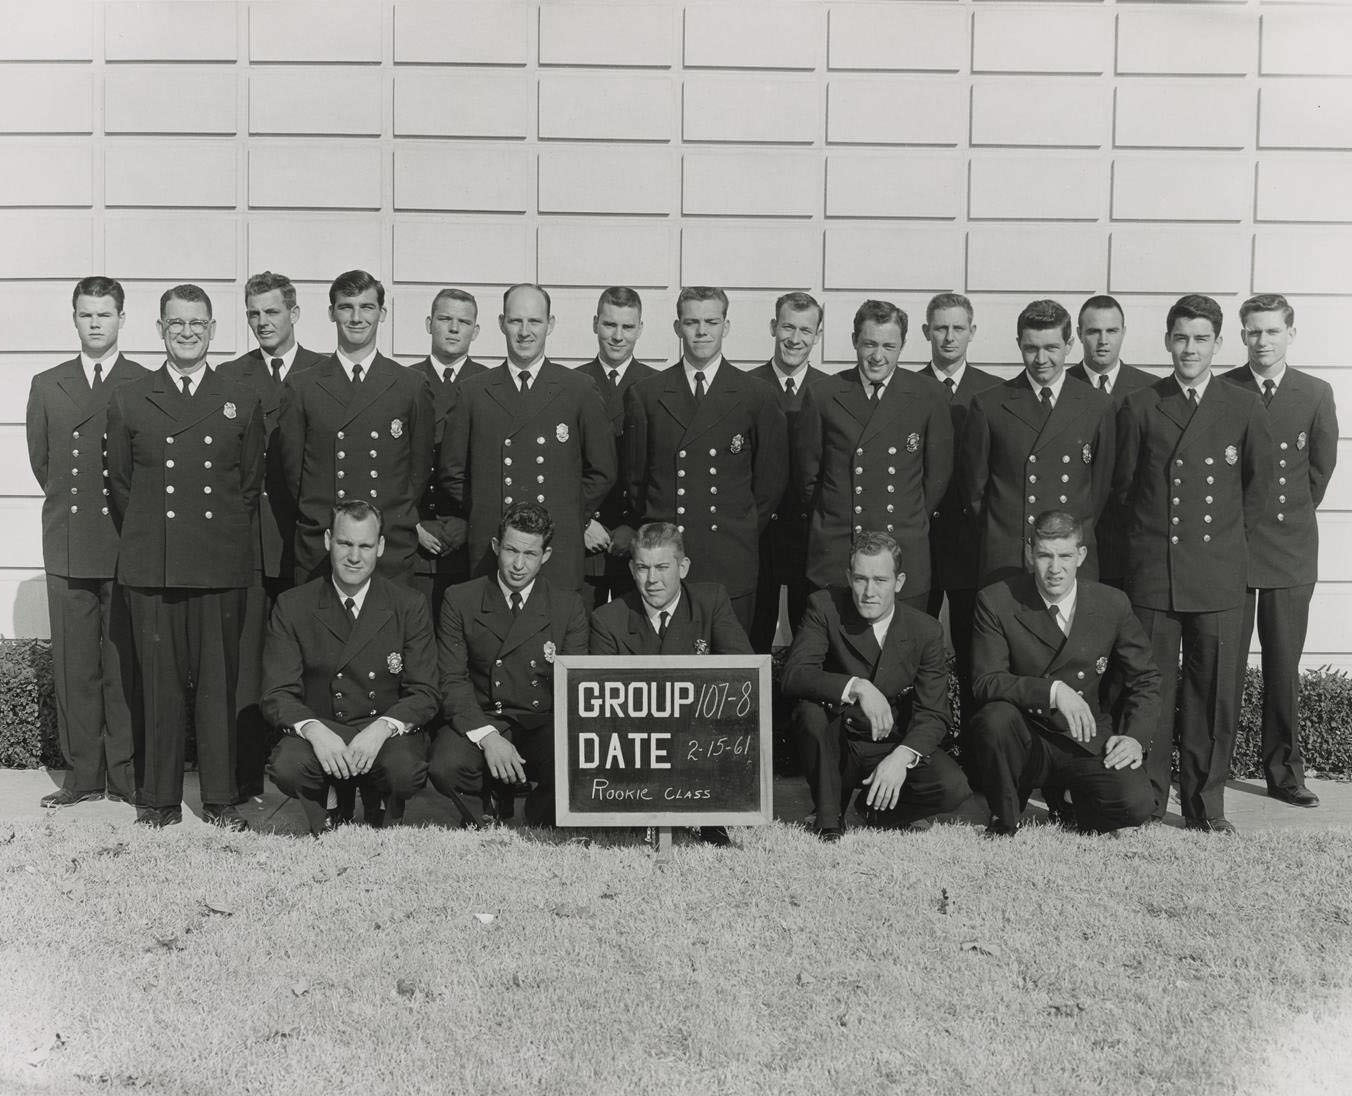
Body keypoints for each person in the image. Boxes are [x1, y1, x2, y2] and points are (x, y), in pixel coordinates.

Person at [105, 285, 264, 829]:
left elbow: (247, 485)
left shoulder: (240, 397)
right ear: (160, 329)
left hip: (219, 562)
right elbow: (123, 487)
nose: (188, 332)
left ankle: (219, 797)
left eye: (198, 323)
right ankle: (158, 798)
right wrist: (157, 535)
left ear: (214, 329)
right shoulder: (130, 397)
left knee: (219, 685)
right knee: (159, 684)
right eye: (177, 324)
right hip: (155, 563)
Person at [1114, 294, 1272, 833]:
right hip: (1155, 574)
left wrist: (1225, 549)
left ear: (1218, 344)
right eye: (1181, 338)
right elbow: (1124, 491)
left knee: (1214, 695)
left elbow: (1257, 490)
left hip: (1218, 574)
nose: (1190, 348)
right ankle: (1149, 800)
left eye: (1201, 339)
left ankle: (1206, 806)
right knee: (1151, 693)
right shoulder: (1140, 404)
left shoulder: (1242, 404)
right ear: (1166, 342)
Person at [26, 276, 147, 809]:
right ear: (73, 319)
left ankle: (124, 776)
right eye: (86, 314)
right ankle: (81, 778)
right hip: (71, 542)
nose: (95, 323)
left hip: (125, 542)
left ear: (122, 318)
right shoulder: (48, 384)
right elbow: (43, 463)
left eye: (105, 314)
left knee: (123, 664)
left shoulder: (144, 381)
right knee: (76, 666)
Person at [968, 511, 1159, 836]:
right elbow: (986, 681)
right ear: (1030, 553)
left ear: (1081, 555)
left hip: (1083, 737)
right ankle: (1005, 816)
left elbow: (1146, 678)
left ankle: (1070, 801)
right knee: (994, 719)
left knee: (1137, 805)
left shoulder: (1112, 603)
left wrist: (1134, 737)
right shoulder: (997, 600)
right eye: (1044, 555)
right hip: (1027, 735)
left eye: (1065, 556)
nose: (1055, 569)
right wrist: (1053, 692)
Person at [1221, 293, 1339, 808]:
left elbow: (1319, 471)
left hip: (1290, 550)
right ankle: (1210, 768)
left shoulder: (1314, 392)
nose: (1262, 341)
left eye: (1271, 331)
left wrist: (1285, 518)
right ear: (1242, 335)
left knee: (1283, 664)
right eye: (1253, 332)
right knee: (1221, 663)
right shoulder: (1223, 388)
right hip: (1231, 549)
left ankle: (1284, 772)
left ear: (1291, 333)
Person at [781, 531, 971, 841]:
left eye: (880, 581)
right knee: (808, 712)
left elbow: (934, 712)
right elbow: (794, 675)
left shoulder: (926, 630)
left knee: (953, 787)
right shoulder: (824, 607)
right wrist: (858, 686)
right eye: (860, 579)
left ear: (899, 582)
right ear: (848, 577)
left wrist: (902, 757)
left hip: (890, 741)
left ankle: (876, 811)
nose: (869, 591)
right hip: (837, 742)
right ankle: (829, 819)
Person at [262, 501, 437, 836]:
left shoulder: (407, 604)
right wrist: (313, 730)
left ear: (381, 547)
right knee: (287, 766)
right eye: (345, 544)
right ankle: (325, 803)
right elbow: (276, 692)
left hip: (380, 731)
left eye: (365, 546)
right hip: (327, 729)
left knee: (406, 769)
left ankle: (381, 799)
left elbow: (426, 691)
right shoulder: (294, 604)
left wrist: (383, 728)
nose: (354, 557)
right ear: (328, 539)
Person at [217, 270, 326, 800]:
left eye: (273, 312)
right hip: (250, 544)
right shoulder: (231, 377)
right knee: (247, 663)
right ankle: (242, 778)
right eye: (254, 314)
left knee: (315, 657)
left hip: (308, 541)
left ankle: (320, 775)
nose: (263, 322)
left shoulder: (326, 372)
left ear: (294, 314)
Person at [623, 286, 788, 633]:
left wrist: (738, 527)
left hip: (729, 554)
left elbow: (769, 483)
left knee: (729, 663)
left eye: (711, 322)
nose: (701, 332)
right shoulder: (648, 394)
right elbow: (637, 480)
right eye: (691, 322)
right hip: (668, 557)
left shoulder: (755, 395)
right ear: (676, 327)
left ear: (726, 327)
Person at [439, 284, 615, 594]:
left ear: (550, 325)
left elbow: (602, 471)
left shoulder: (578, 389)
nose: (524, 332)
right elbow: (453, 474)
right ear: (501, 324)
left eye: (534, 321)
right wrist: (488, 511)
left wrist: (565, 515)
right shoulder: (473, 392)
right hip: (494, 548)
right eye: (515, 321)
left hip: (555, 546)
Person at [588, 521, 752, 847]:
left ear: (683, 566)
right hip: (637, 739)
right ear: (631, 569)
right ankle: (638, 811)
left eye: (662, 567)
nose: (652, 580)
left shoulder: (712, 601)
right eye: (643, 568)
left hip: (699, 733)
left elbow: (742, 674)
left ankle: (710, 814)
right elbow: (602, 704)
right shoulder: (608, 619)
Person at [429, 502, 588, 827]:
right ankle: (481, 809)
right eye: (511, 551)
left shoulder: (567, 605)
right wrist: (488, 737)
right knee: (444, 767)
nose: (518, 564)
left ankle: (538, 813)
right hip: (485, 714)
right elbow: (452, 680)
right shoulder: (461, 599)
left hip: (539, 720)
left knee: (576, 759)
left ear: (545, 556)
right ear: (495, 547)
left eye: (529, 554)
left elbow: (574, 688)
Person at [277, 269, 434, 586]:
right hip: (325, 544)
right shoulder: (303, 386)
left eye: (367, 307)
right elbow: (294, 474)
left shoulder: (410, 385)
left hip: (386, 544)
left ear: (382, 313)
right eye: (346, 306)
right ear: (332, 313)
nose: (356, 317)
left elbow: (417, 470)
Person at [797, 299, 952, 619]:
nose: (878, 356)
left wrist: (910, 518)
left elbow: (937, 477)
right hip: (840, 548)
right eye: (869, 344)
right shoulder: (824, 394)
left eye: (888, 346)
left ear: (903, 346)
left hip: (902, 547)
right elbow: (807, 477)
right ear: (855, 340)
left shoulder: (928, 394)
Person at [961, 299, 1115, 586]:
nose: (1041, 359)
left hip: (1070, 557)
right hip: (1010, 556)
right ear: (1019, 343)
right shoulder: (990, 404)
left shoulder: (1098, 405)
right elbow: (976, 492)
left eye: (1051, 348)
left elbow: (1100, 489)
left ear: (1069, 345)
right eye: (1031, 348)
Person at [917, 292, 1000, 742]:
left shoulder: (992, 391)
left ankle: (975, 748)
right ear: (927, 332)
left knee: (974, 652)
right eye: (940, 328)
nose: (949, 337)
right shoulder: (907, 388)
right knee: (916, 650)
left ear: (972, 332)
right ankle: (923, 744)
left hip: (972, 545)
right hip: (919, 542)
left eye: (958, 328)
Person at [748, 291, 828, 652]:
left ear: (818, 335)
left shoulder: (829, 391)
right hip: (756, 534)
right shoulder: (744, 387)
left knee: (808, 636)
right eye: (787, 328)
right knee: (754, 633)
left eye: (806, 331)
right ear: (772, 327)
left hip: (809, 536)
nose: (795, 339)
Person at [410, 287, 488, 615]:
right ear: (429, 323)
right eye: (445, 319)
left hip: (470, 538)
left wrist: (470, 523)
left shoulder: (490, 384)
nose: (454, 329)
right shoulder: (404, 380)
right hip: (414, 536)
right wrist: (412, 524)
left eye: (463, 322)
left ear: (476, 331)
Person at [1066, 295, 1153, 590]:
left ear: (1124, 332)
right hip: (1075, 536)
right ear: (1078, 334)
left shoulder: (1150, 390)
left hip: (1132, 538)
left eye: (1112, 331)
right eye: (1093, 332)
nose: (1103, 340)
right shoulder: (1060, 387)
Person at [577, 287, 656, 610]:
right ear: (595, 323)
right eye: (610, 325)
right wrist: (581, 522)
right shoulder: (572, 383)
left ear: (640, 328)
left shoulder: (656, 387)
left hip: (635, 540)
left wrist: (635, 526)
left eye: (627, 327)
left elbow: (658, 469)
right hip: (583, 537)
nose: (618, 336)